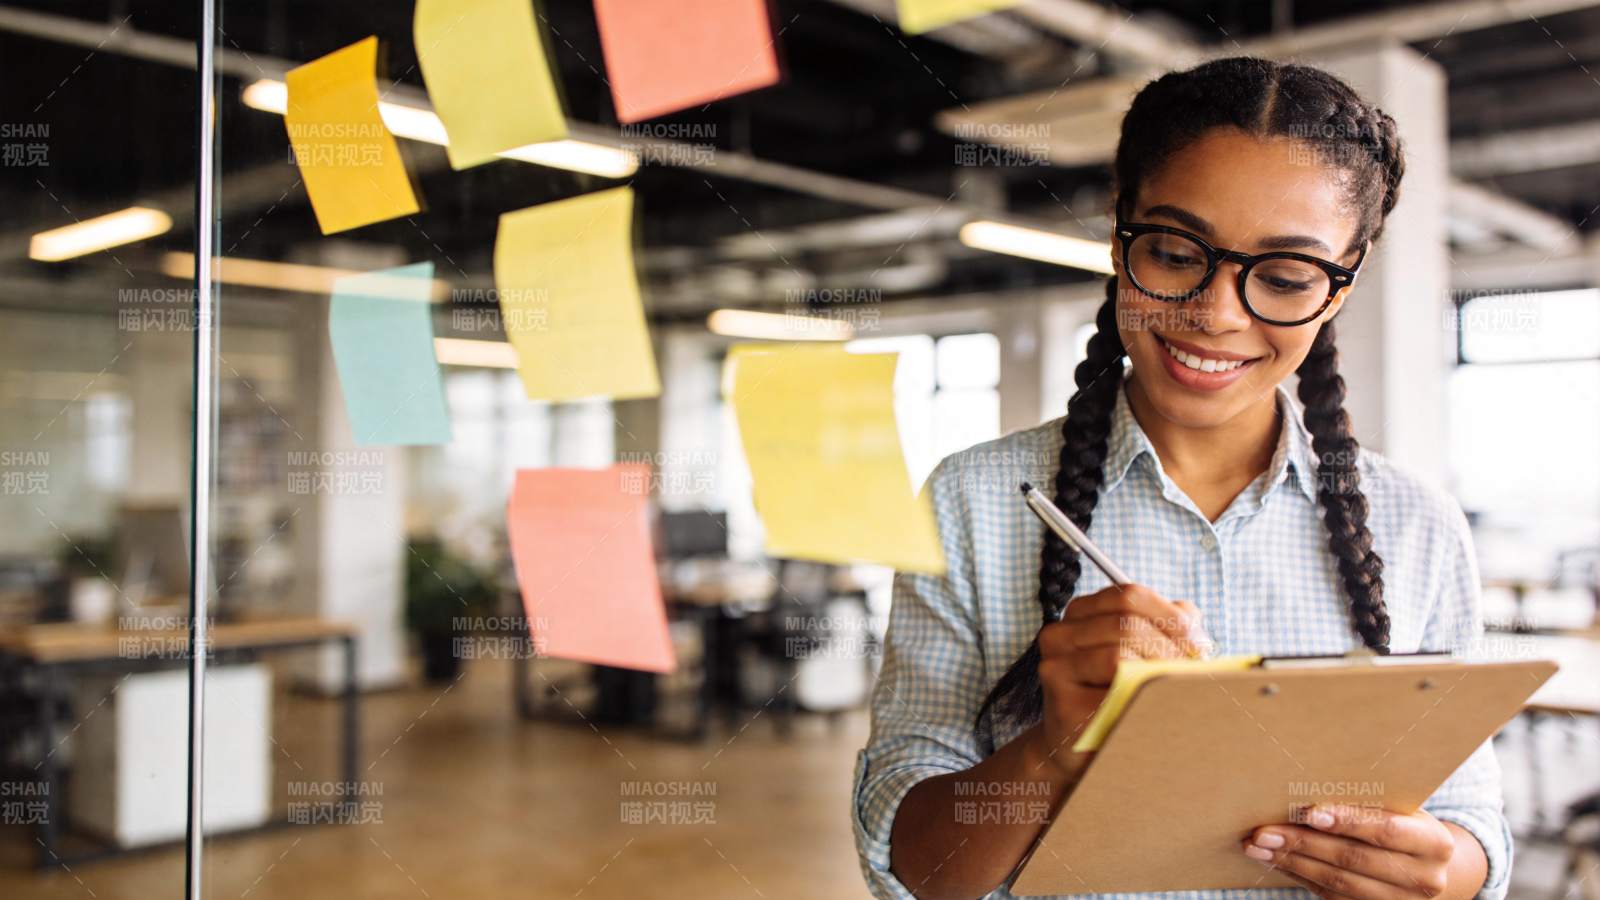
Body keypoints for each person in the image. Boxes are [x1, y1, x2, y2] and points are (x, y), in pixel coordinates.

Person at [852, 56, 1509, 900]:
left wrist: (1439, 869)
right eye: (1173, 251)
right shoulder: (973, 502)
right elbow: (916, 869)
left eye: (1282, 277)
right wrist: (1053, 750)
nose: (1217, 313)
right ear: (1119, 230)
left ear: (1340, 287)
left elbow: (1473, 828)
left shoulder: (1416, 525)